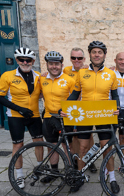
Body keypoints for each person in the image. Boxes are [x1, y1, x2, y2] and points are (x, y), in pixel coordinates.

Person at [60, 41, 120, 193]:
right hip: (85, 113)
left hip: (103, 114)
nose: (97, 55)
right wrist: (64, 108)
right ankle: (79, 176)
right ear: (90, 55)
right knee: (82, 147)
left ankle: (112, 177)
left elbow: (115, 95)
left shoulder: (111, 74)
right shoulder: (82, 73)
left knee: (107, 147)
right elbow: (74, 94)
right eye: (94, 52)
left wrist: (117, 108)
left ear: (104, 55)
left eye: (100, 52)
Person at [0, 47, 44, 188]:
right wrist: (19, 109)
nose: (25, 62)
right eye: (21, 59)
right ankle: (20, 175)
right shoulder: (8, 76)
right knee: (18, 145)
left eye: (28, 60)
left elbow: (43, 92)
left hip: (33, 114)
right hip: (15, 115)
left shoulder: (39, 76)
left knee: (39, 141)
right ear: (17, 60)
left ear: (33, 61)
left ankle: (40, 168)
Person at [39, 51, 76, 184]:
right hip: (48, 117)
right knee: (51, 145)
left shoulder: (69, 80)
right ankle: (54, 172)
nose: (54, 66)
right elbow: (37, 95)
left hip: (64, 117)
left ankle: (69, 171)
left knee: (67, 146)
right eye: (51, 64)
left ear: (61, 65)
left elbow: (77, 99)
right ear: (47, 65)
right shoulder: (41, 79)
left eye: (57, 64)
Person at [63, 47, 97, 173]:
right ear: (70, 58)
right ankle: (79, 161)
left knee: (89, 136)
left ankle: (90, 160)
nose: (76, 60)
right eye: (73, 58)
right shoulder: (66, 70)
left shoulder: (89, 69)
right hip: (72, 108)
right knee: (76, 136)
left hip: (86, 107)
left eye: (79, 58)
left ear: (84, 59)